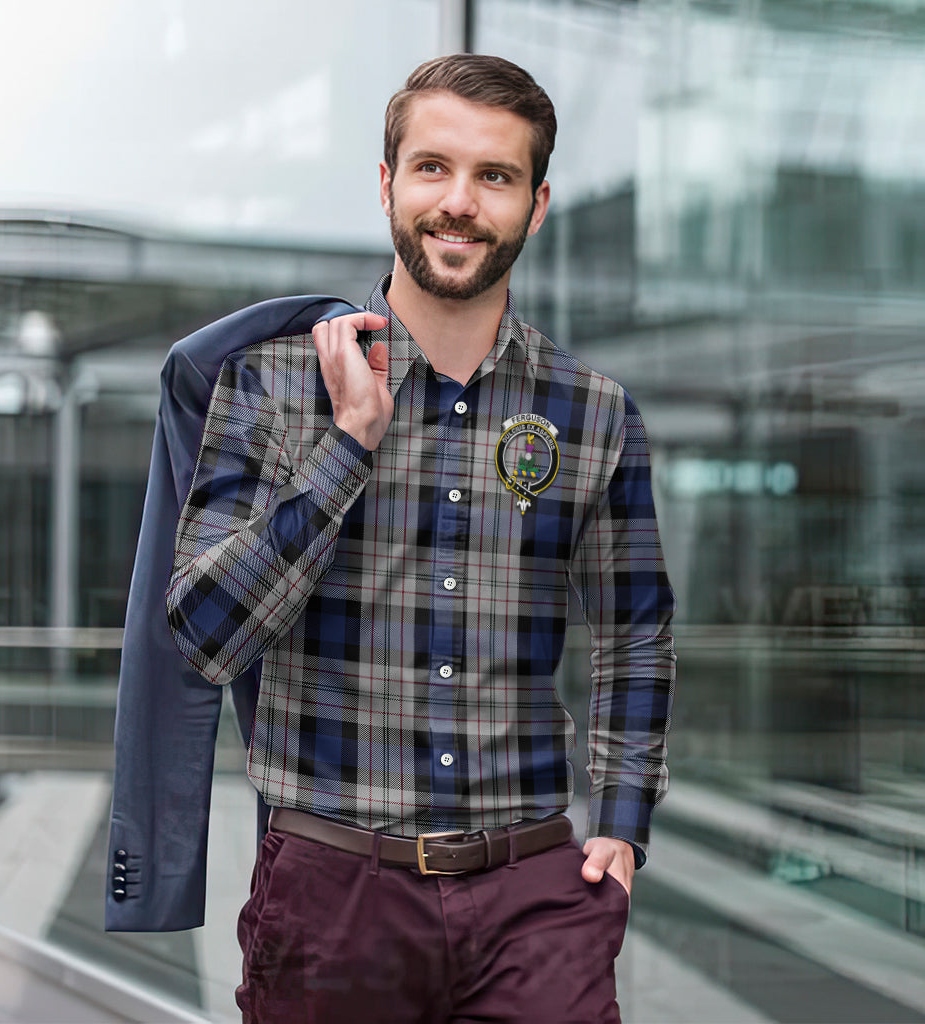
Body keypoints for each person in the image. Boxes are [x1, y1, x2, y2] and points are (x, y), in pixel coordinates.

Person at [166, 53, 675, 1024]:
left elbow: (637, 631)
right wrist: (348, 444)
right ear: (388, 182)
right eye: (434, 167)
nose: (460, 202)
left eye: (496, 176)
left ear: (537, 203)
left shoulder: (593, 411)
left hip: (535, 895)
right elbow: (203, 634)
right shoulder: (272, 386)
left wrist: (620, 822)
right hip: (333, 895)